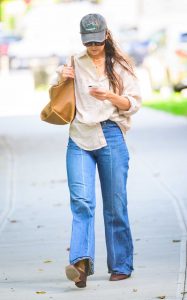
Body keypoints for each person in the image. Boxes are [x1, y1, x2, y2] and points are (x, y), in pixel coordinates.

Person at [54, 13, 141, 288]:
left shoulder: (119, 65)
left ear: (106, 35)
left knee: (115, 205)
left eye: (97, 41)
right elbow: (59, 97)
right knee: (81, 202)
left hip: (111, 135)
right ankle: (80, 264)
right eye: (88, 42)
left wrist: (110, 96)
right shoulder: (74, 62)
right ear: (83, 39)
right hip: (79, 136)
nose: (93, 46)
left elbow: (133, 103)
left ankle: (121, 263)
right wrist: (60, 79)